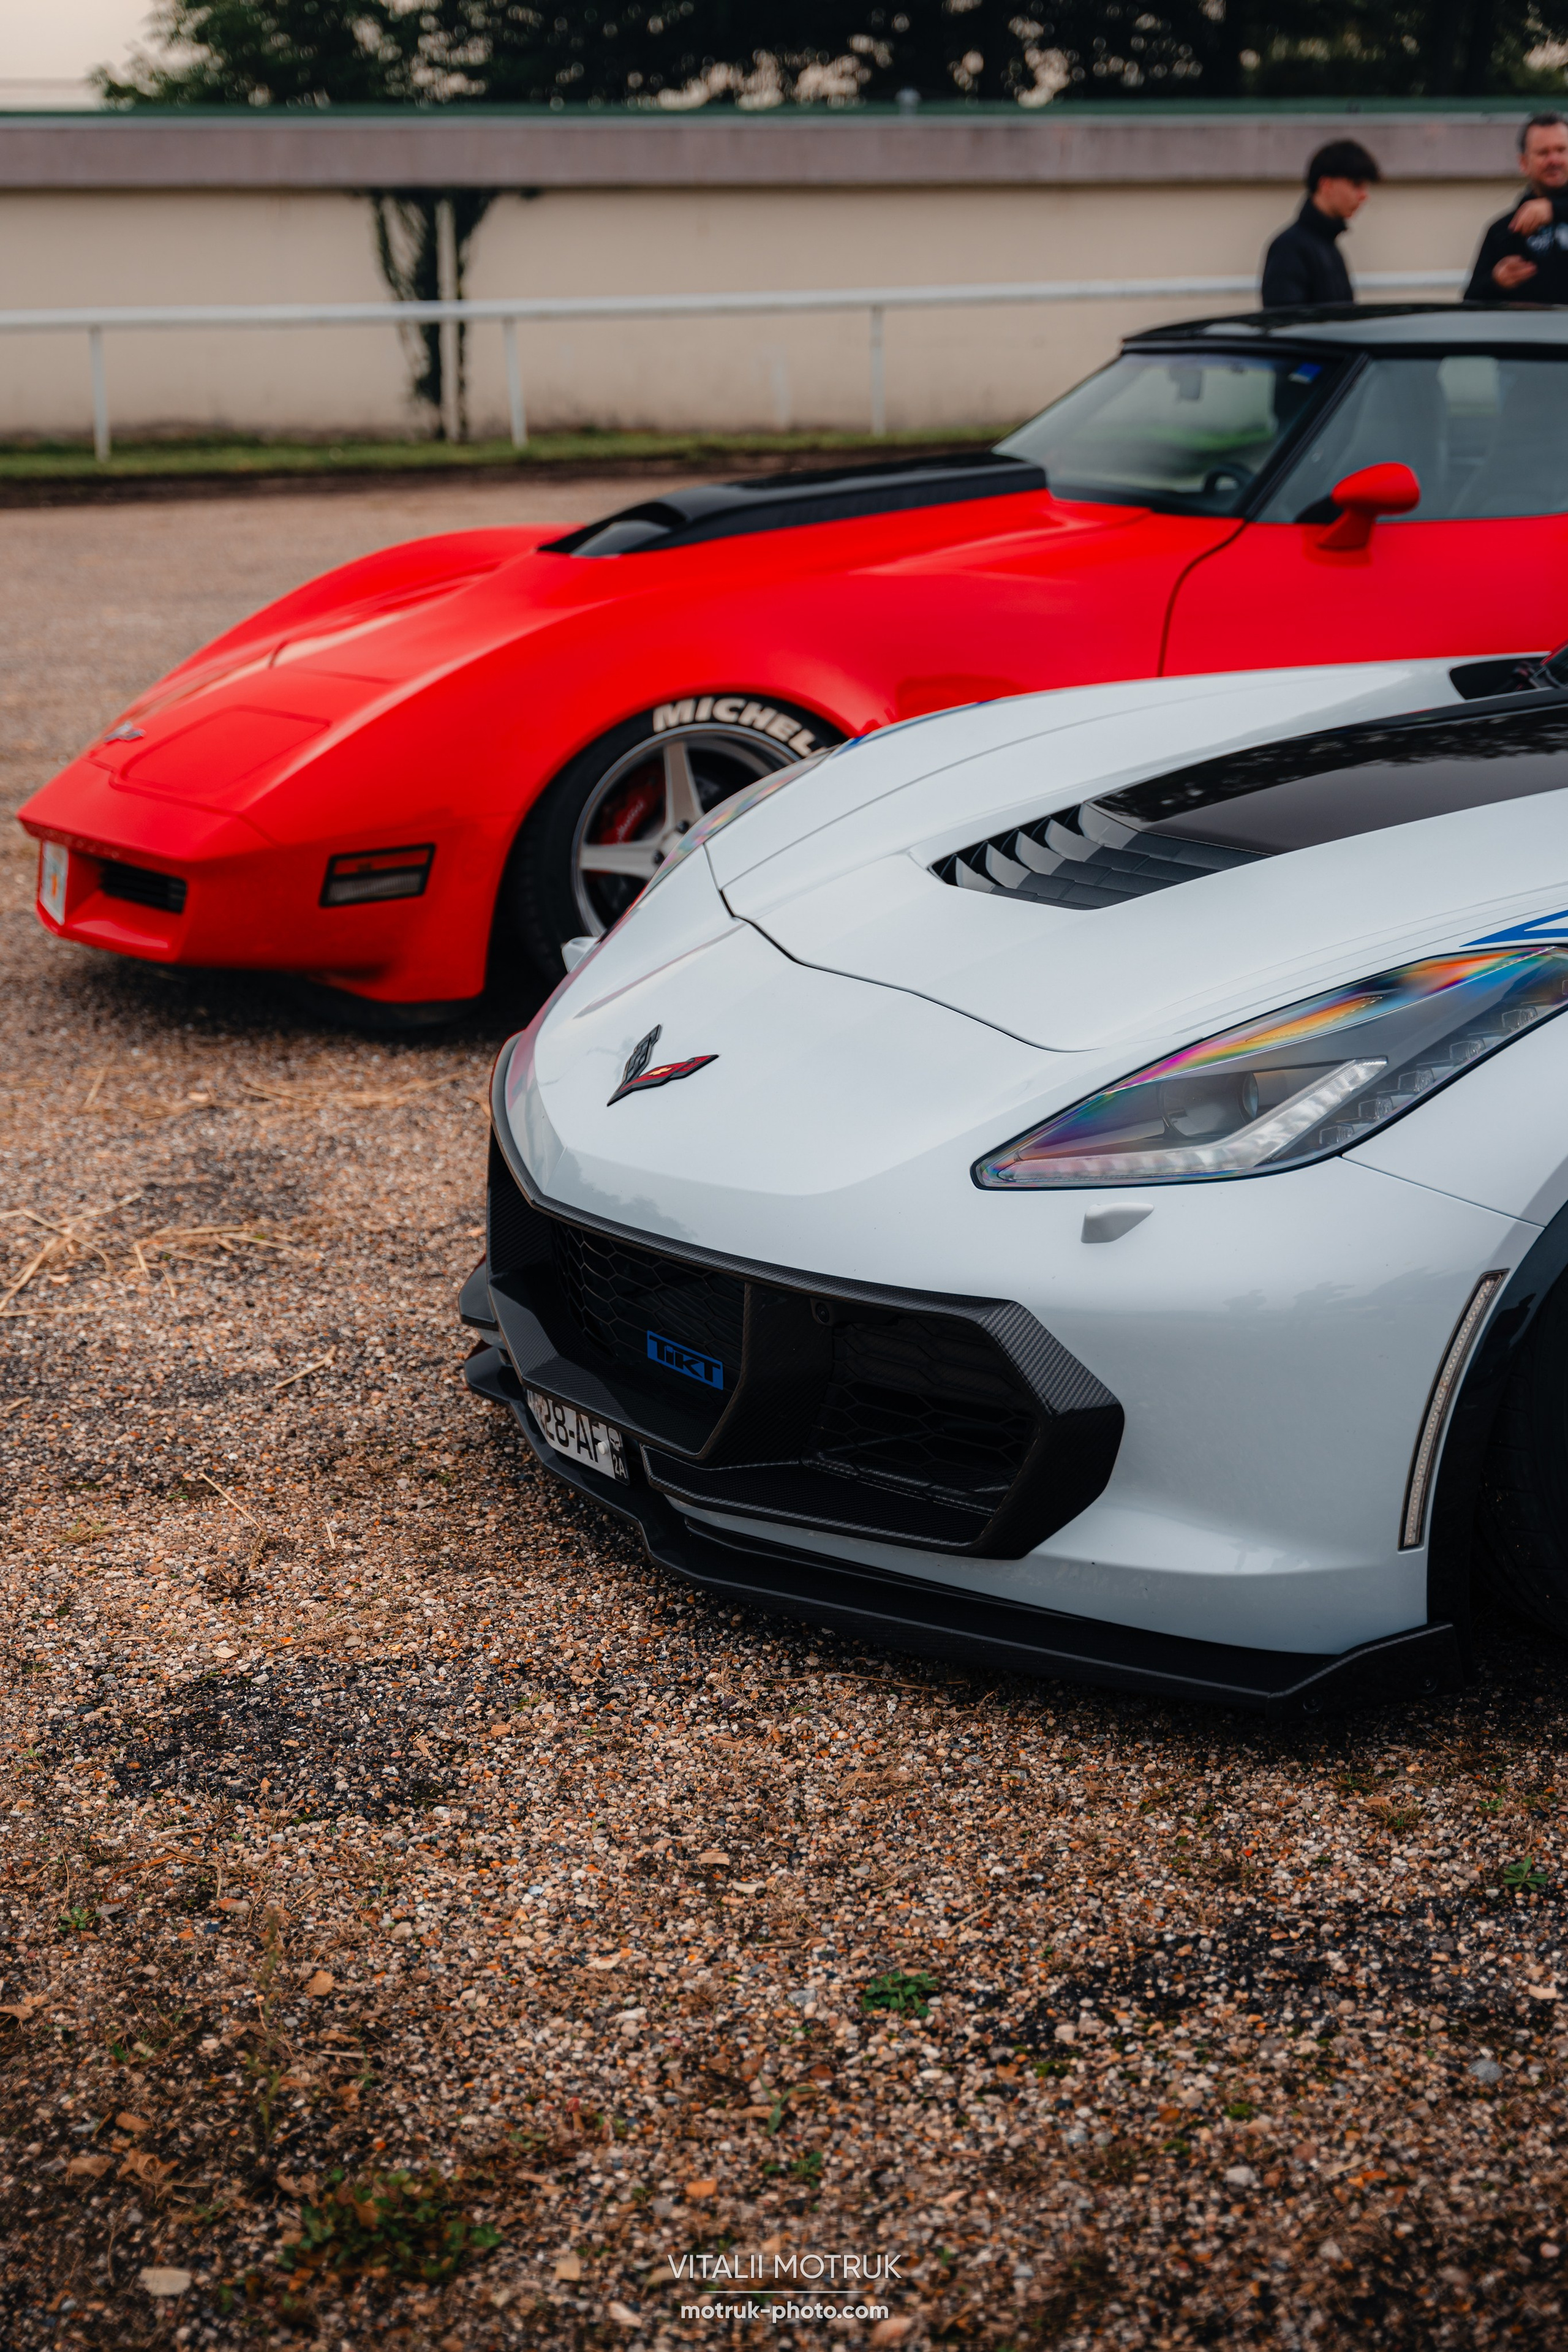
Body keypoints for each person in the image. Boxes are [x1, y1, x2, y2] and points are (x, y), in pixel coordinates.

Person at [1260, 140, 1381, 309]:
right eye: (1356, 185)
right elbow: (1285, 325)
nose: (1364, 196)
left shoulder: (1328, 246)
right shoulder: (1289, 248)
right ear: (1326, 185)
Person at [1464, 113, 1568, 303]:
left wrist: (1555, 209)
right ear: (1523, 163)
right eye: (1543, 153)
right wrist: (1496, 282)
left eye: (1562, 150)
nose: (1554, 160)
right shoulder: (1503, 231)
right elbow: (1470, 303)